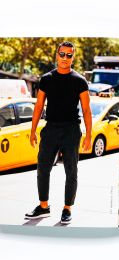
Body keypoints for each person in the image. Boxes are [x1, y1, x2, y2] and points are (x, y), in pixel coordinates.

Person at [25, 41, 92, 224]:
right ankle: (43, 206)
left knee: (71, 171)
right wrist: (32, 131)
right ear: (57, 55)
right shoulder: (46, 79)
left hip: (71, 130)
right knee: (42, 168)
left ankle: (67, 208)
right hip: (51, 129)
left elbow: (86, 110)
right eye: (62, 54)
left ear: (73, 57)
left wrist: (89, 135)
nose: (65, 58)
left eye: (69, 55)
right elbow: (39, 106)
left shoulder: (79, 80)